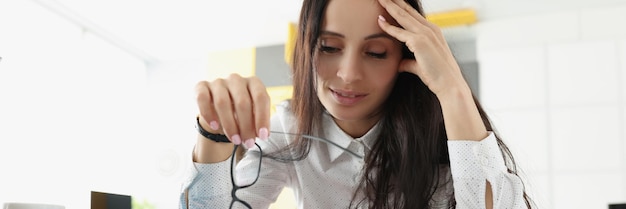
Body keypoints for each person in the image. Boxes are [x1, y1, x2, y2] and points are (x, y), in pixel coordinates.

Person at [180, 0, 534, 208]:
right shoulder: (289, 129)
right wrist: (213, 135)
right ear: (306, 48)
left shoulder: (448, 133)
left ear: (404, 58)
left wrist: (453, 89)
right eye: (330, 47)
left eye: (376, 52)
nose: (348, 74)